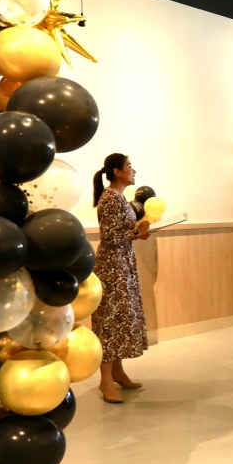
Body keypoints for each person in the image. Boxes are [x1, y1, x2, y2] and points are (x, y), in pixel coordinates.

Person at [91, 154, 150, 404]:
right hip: (112, 267)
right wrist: (136, 231)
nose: (133, 170)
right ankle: (105, 379)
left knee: (122, 317)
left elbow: (122, 232)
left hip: (122, 263)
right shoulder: (109, 199)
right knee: (110, 320)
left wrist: (137, 234)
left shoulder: (119, 198)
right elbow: (110, 236)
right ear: (117, 171)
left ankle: (118, 371)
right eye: (129, 166)